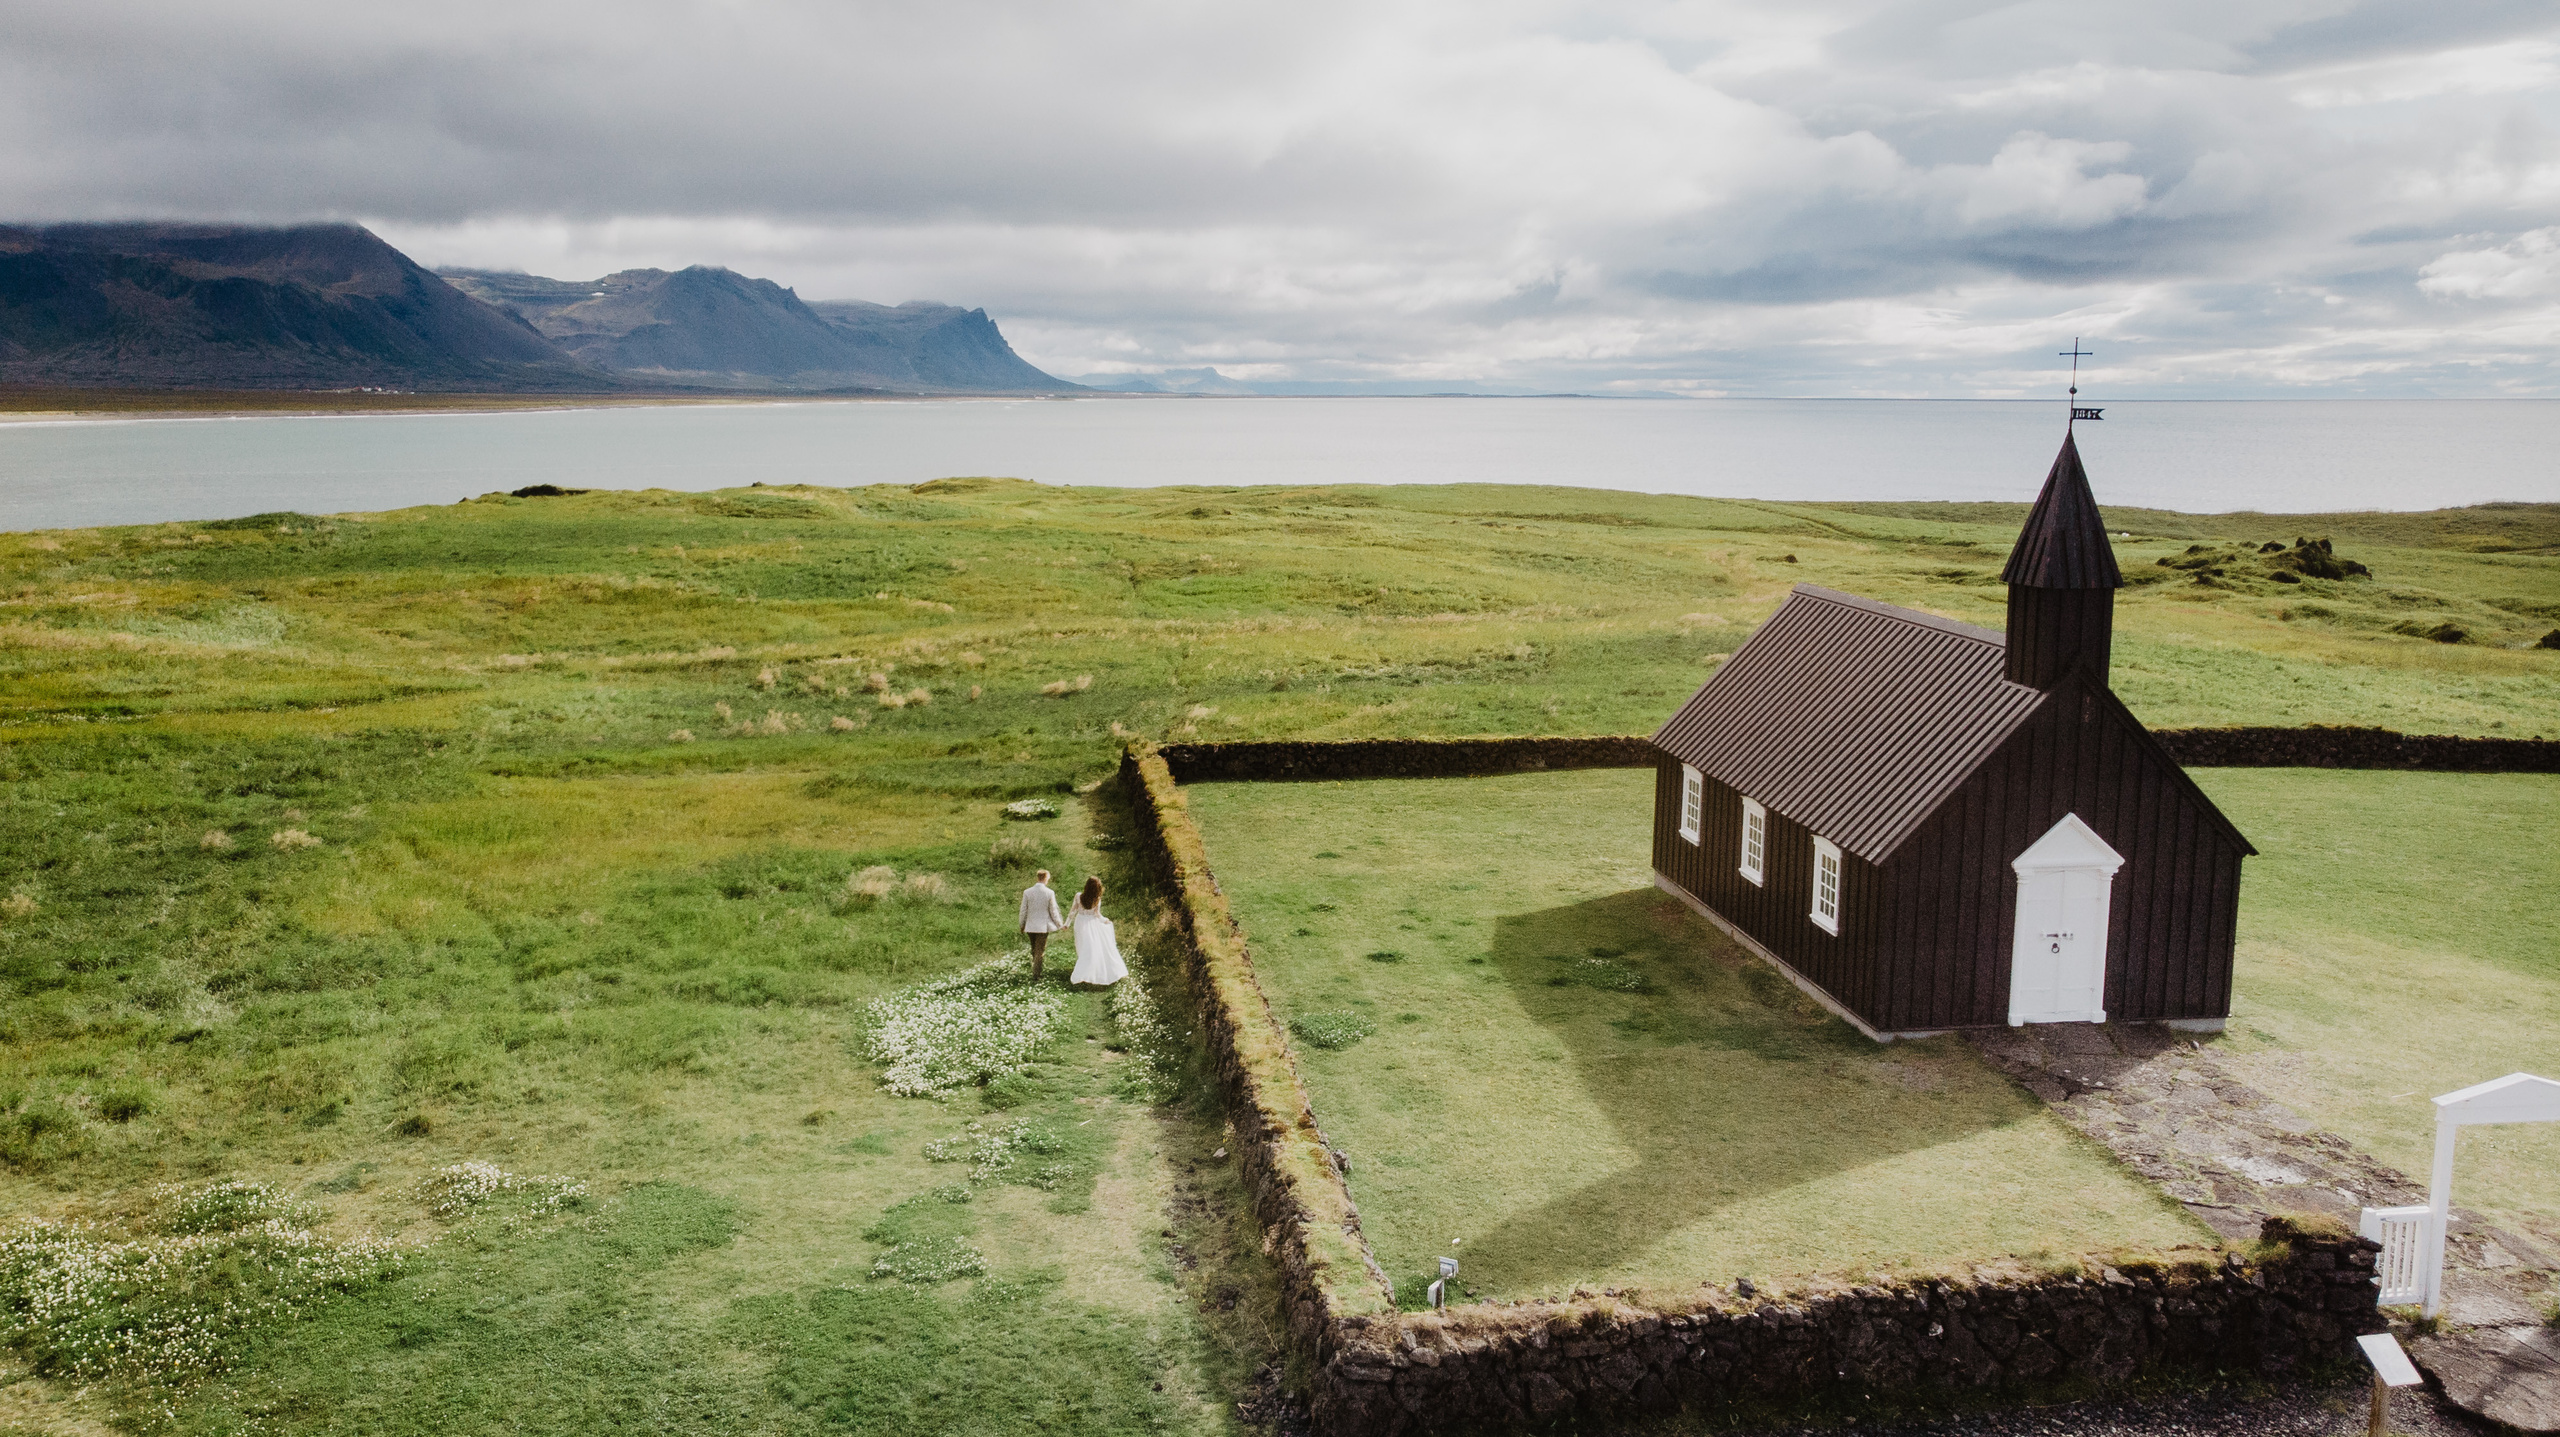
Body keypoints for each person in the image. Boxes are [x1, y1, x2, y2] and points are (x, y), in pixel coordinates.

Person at [1068, 875, 1127, 987]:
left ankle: (1085, 969)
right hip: (1092, 923)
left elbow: (1072, 912)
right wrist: (1105, 920)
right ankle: (1088, 968)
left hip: (1080, 923)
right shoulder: (1097, 899)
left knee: (1082, 945)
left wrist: (1066, 924)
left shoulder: (1078, 896)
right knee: (1089, 947)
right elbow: (1097, 915)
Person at [1019, 869, 1065, 980]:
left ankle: (1035, 969)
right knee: (1040, 950)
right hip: (1042, 926)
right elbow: (1053, 911)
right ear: (1045, 878)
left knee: (1034, 949)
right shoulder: (1049, 893)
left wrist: (1022, 924)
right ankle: (1036, 974)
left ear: (1037, 878)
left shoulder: (1027, 892)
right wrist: (1060, 924)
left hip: (1030, 925)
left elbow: (1023, 910)